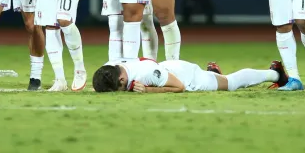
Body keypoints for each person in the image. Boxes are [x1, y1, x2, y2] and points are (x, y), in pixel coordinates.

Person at [92, 58, 288, 93]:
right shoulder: (114, 66)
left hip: (189, 78)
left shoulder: (148, 74)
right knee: (221, 79)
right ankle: (213, 73)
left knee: (231, 83)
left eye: (117, 89)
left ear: (121, 79)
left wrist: (148, 91)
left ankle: (276, 73)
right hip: (170, 68)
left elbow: (179, 87)